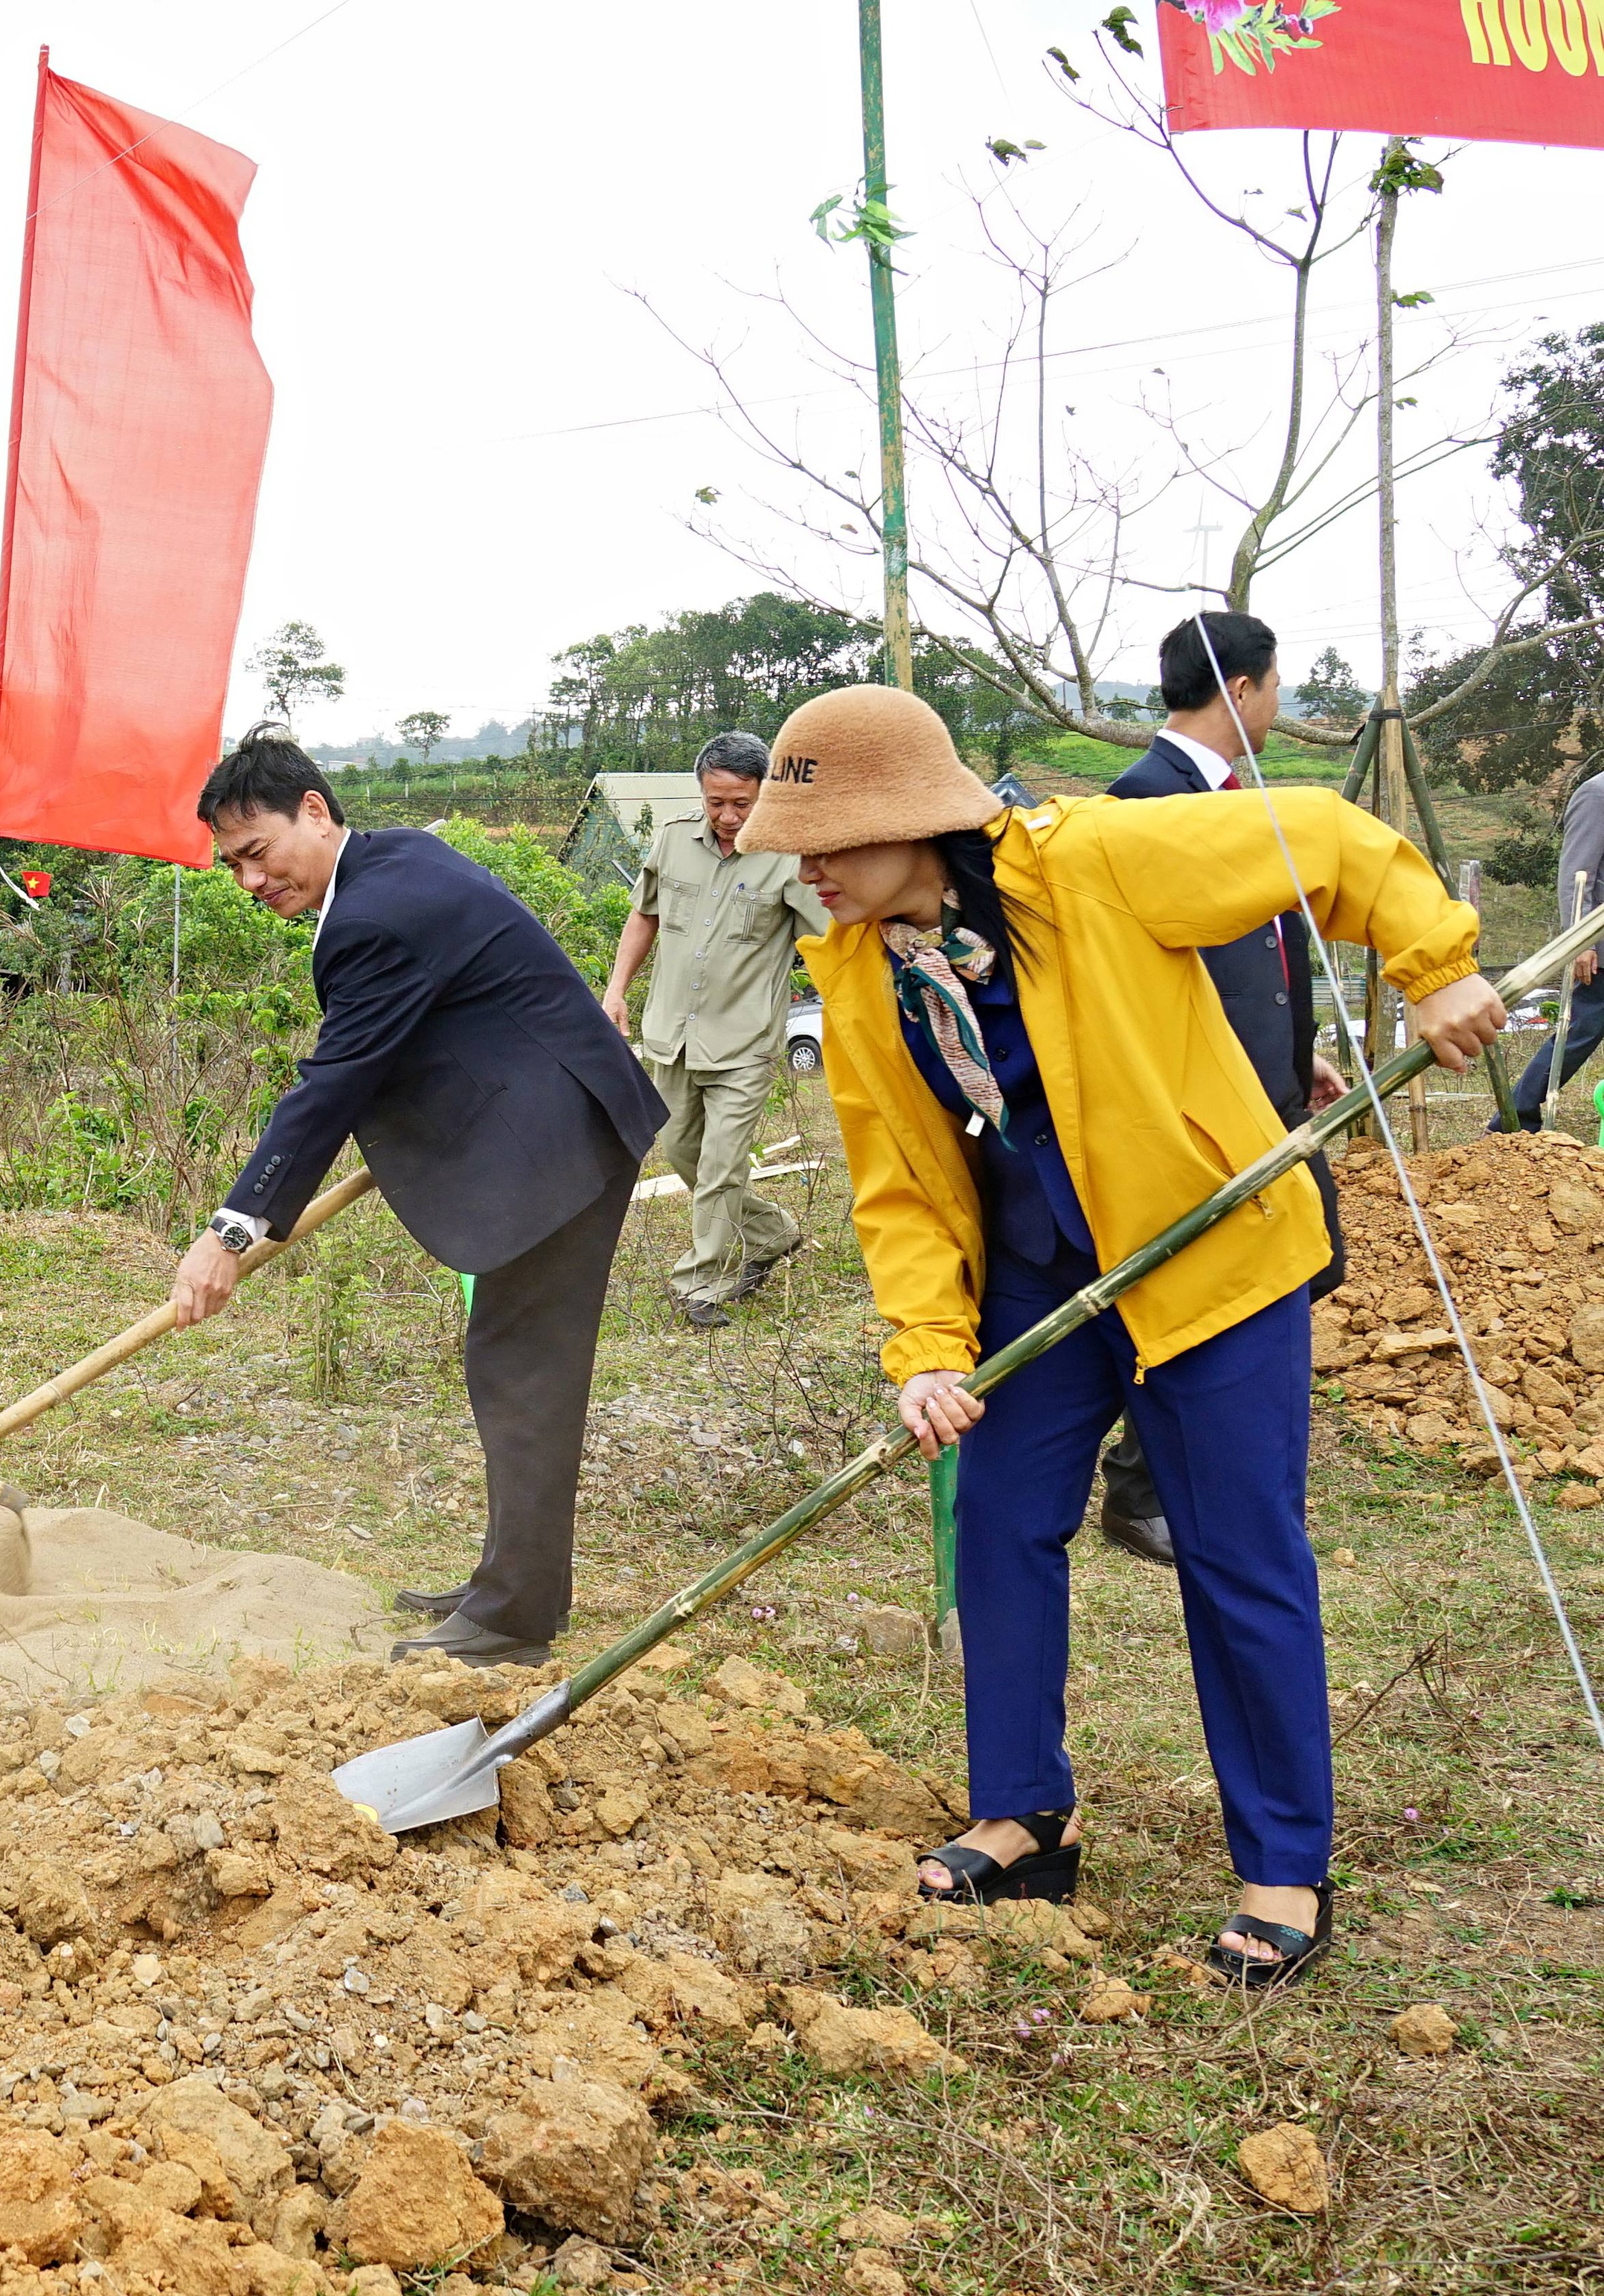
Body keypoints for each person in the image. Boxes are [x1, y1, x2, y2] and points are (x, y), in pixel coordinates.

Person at [742, 683, 1501, 1987]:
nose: (806, 870)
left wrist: (1435, 967)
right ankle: (1023, 1815)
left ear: (921, 820)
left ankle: (1281, 1866)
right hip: (1042, 1282)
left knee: (1235, 1549)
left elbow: (1322, 835)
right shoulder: (863, 973)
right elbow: (903, 1186)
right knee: (999, 1518)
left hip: (1208, 1259)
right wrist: (926, 1342)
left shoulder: (1095, 860)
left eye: (828, 840)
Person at [165, 731, 667, 1668]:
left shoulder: (375, 916)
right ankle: (510, 1586)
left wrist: (227, 1233)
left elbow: (330, 1085)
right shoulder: (397, 859)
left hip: (557, 1142)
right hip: (548, 1119)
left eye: (255, 853)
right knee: (512, 1369)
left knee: (522, 1376)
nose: (247, 881)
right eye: (231, 864)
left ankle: (510, 1617)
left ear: (313, 812)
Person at [1092, 611, 1356, 1569]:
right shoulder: (1139, 807)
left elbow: (1250, 955)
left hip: (1266, 1090)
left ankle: (1206, 1460)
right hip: (1203, 1113)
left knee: (1305, 1260)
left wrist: (1295, 1052)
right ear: (1241, 690)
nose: (1279, 705)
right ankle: (1142, 1482)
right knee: (1211, 1283)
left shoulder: (1236, 802)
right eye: (1277, 686)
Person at [597, 731, 832, 1328]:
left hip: (745, 1042)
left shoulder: (790, 858)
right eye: (717, 802)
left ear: (764, 796)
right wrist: (616, 989)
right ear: (702, 792)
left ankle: (703, 1281)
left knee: (723, 1165)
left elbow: (835, 939)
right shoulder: (674, 840)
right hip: (670, 1033)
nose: (728, 817)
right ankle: (773, 1231)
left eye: (742, 804)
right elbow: (642, 915)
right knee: (682, 1151)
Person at [1497, 756, 1604, 1132]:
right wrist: (1580, 941)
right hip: (1601, 945)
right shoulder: (1597, 794)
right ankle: (1514, 1119)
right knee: (1579, 1034)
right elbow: (1576, 875)